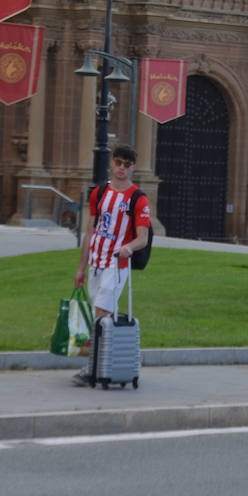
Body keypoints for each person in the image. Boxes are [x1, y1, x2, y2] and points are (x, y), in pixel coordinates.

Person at [72, 144, 151, 386]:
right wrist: (81, 267)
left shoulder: (138, 198)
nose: (121, 169)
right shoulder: (98, 193)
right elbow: (90, 231)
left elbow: (143, 237)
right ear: (111, 163)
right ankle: (107, 361)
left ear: (133, 168)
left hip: (117, 264)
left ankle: (93, 367)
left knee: (102, 313)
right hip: (97, 260)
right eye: (118, 163)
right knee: (100, 313)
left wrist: (128, 248)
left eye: (127, 165)